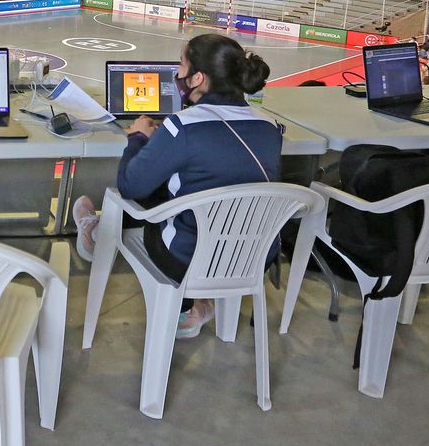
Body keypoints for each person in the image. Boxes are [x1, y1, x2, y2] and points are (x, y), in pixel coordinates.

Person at [71, 33, 281, 338]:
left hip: (189, 259)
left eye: (182, 64)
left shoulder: (182, 126)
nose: (177, 73)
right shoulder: (271, 127)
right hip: (253, 256)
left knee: (145, 190)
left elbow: (130, 185)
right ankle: (196, 308)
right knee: (187, 182)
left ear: (197, 78)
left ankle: (99, 234)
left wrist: (137, 138)